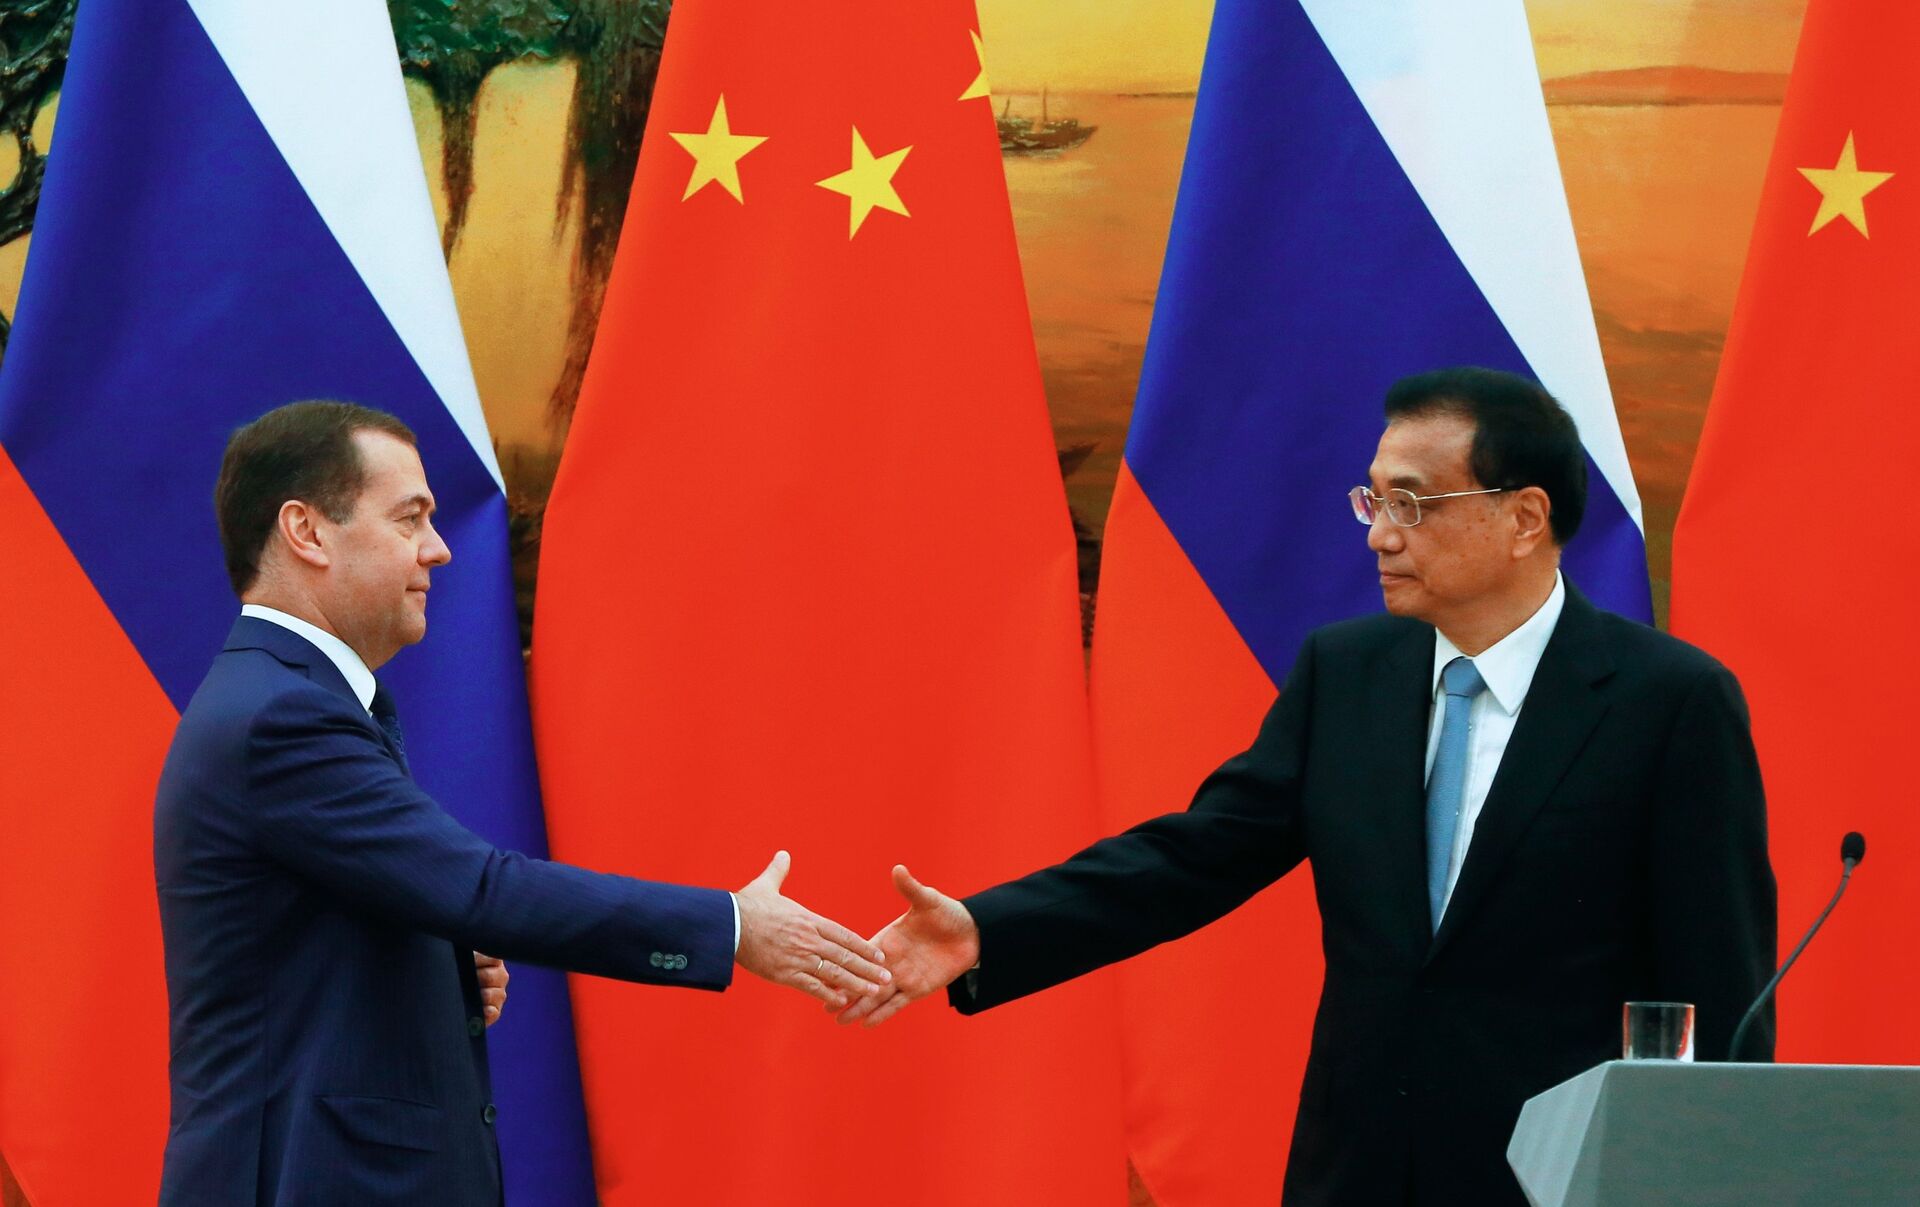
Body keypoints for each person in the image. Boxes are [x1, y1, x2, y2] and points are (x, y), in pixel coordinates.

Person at [844, 367, 1777, 1204]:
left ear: (1525, 517)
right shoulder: (1347, 673)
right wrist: (986, 929)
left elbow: (1721, 979)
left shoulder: (1669, 701)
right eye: (1373, 499)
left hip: (1559, 1174)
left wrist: (1708, 1176)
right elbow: (1195, 856)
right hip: (1357, 1165)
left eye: (1412, 503)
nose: (1380, 533)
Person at [153, 401, 888, 1205]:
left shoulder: (286, 699)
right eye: (409, 518)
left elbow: (321, 941)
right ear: (307, 531)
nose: (437, 548)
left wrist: (441, 966)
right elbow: (481, 888)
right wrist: (733, 926)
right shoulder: (281, 716)